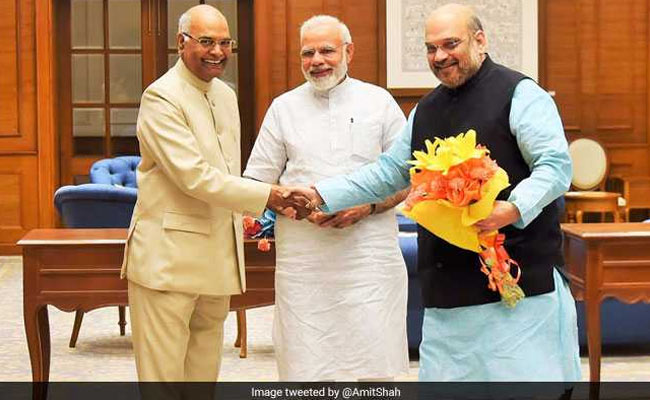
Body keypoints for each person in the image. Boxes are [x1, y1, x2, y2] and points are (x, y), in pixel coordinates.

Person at [298, 4, 582, 382]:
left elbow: (556, 166)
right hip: (447, 295)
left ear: (480, 40)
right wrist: (318, 193)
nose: (439, 56)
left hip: (520, 288)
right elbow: (389, 172)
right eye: (430, 48)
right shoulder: (425, 110)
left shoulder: (521, 94)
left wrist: (512, 208)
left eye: (451, 44)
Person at [121, 4, 311, 383]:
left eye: (225, 43)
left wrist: (253, 211)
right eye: (206, 41)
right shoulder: (161, 97)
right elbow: (194, 177)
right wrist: (269, 196)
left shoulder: (225, 95)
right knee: (163, 382)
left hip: (217, 260)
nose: (218, 52)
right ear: (181, 43)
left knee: (203, 380)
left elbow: (226, 173)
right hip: (168, 262)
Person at [243, 15, 410, 381]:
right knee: (307, 363)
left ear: (349, 52)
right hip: (305, 259)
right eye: (308, 53)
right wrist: (292, 205)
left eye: (327, 51)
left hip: (369, 256)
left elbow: (407, 176)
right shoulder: (283, 107)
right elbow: (257, 181)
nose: (317, 60)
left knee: (375, 359)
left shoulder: (379, 102)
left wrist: (367, 206)